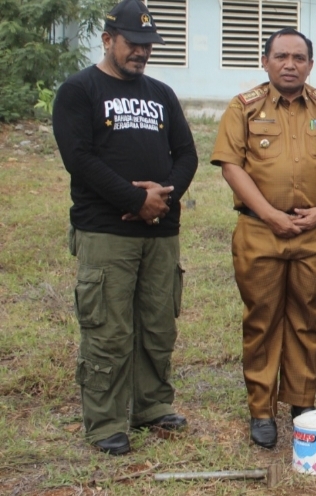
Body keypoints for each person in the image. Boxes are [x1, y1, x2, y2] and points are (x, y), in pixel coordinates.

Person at [52, 0, 198, 456]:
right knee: (108, 330)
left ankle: (152, 406)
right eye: (132, 44)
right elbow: (79, 159)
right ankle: (106, 422)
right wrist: (136, 200)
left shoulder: (161, 93)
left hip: (159, 232)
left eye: (147, 46)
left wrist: (162, 197)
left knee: (157, 325)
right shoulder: (79, 90)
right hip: (106, 232)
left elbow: (187, 154)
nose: (141, 53)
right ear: (108, 39)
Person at [210, 28, 316, 449]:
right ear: (266, 61)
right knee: (262, 321)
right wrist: (270, 214)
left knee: (304, 319)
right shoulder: (244, 108)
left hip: (314, 232)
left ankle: (299, 402)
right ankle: (262, 410)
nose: (290, 64)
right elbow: (231, 166)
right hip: (260, 231)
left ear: (310, 65)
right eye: (281, 57)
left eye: (298, 57)